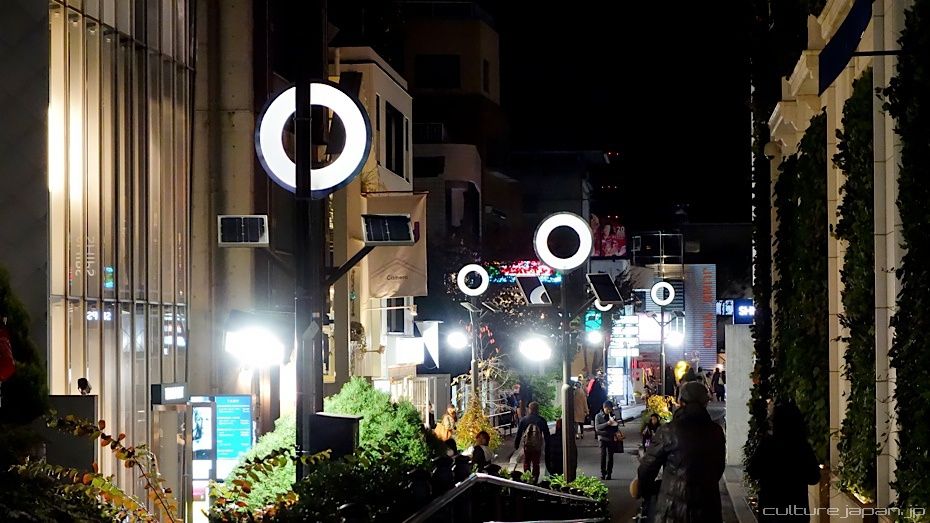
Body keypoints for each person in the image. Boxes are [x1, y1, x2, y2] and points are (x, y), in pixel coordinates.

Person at [636, 381, 726, 522]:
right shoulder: (716, 432)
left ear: (681, 402)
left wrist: (648, 489)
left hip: (672, 508)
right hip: (708, 507)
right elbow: (718, 468)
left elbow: (647, 467)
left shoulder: (668, 431)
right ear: (705, 403)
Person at [748, 401, 821, 522]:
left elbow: (753, 471)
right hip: (796, 509)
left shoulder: (767, 445)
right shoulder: (802, 447)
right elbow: (814, 478)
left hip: (771, 507)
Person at [514, 401, 550, 483]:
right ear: (537, 409)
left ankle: (527, 478)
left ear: (529, 409)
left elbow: (519, 433)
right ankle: (535, 479)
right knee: (536, 463)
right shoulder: (541, 420)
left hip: (527, 445)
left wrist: (516, 444)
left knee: (526, 461)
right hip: (537, 445)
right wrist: (548, 446)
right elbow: (547, 434)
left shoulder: (524, 420)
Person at [595, 400, 621, 480]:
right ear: (604, 408)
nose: (609, 411)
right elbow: (597, 428)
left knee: (610, 456)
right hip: (602, 438)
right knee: (603, 455)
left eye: (610, 409)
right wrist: (607, 423)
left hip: (611, 438)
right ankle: (603, 473)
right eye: (607, 409)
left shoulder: (613, 415)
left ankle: (609, 473)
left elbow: (616, 428)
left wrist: (615, 424)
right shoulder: (598, 416)